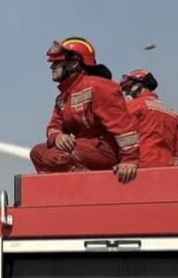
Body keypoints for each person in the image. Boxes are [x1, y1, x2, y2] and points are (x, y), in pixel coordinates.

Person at [30, 37, 138, 183]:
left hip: (104, 149)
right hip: (83, 148)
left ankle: (89, 183)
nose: (52, 67)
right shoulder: (62, 98)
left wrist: (130, 159)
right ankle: (67, 184)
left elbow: (123, 126)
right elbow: (53, 126)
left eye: (57, 63)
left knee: (54, 156)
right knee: (37, 153)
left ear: (74, 63)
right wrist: (58, 137)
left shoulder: (101, 87)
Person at [118, 70, 178, 168]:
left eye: (128, 88)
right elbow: (176, 148)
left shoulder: (135, 106)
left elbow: (122, 134)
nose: (127, 93)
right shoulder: (172, 113)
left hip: (141, 167)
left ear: (136, 86)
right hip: (167, 168)